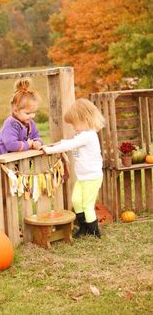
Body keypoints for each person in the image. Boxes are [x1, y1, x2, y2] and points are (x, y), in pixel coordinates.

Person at [41, 98, 105, 238]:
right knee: (76, 200)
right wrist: (56, 145)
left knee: (88, 205)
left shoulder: (89, 135)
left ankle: (94, 232)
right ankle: (83, 228)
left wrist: (49, 150)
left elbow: (70, 145)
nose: (73, 127)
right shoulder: (82, 135)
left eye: (74, 123)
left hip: (92, 177)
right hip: (83, 177)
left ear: (85, 119)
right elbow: (70, 142)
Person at [0, 77, 43, 154]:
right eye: (28, 113)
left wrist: (37, 142)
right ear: (15, 110)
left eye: (33, 112)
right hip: (7, 161)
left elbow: (36, 136)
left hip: (20, 161)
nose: (32, 116)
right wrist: (28, 145)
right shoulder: (11, 124)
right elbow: (11, 144)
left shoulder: (31, 123)